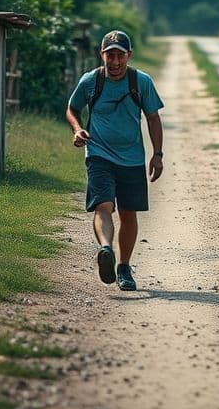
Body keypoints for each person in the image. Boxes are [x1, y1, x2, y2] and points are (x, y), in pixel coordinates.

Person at [66, 30, 164, 291]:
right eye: (111, 55)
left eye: (120, 55)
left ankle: (124, 266)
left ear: (129, 56)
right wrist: (77, 129)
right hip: (98, 154)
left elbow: (153, 118)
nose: (116, 62)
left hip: (132, 158)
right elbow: (72, 108)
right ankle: (106, 249)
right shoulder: (91, 81)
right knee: (103, 206)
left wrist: (157, 154)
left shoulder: (140, 82)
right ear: (102, 55)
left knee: (129, 213)